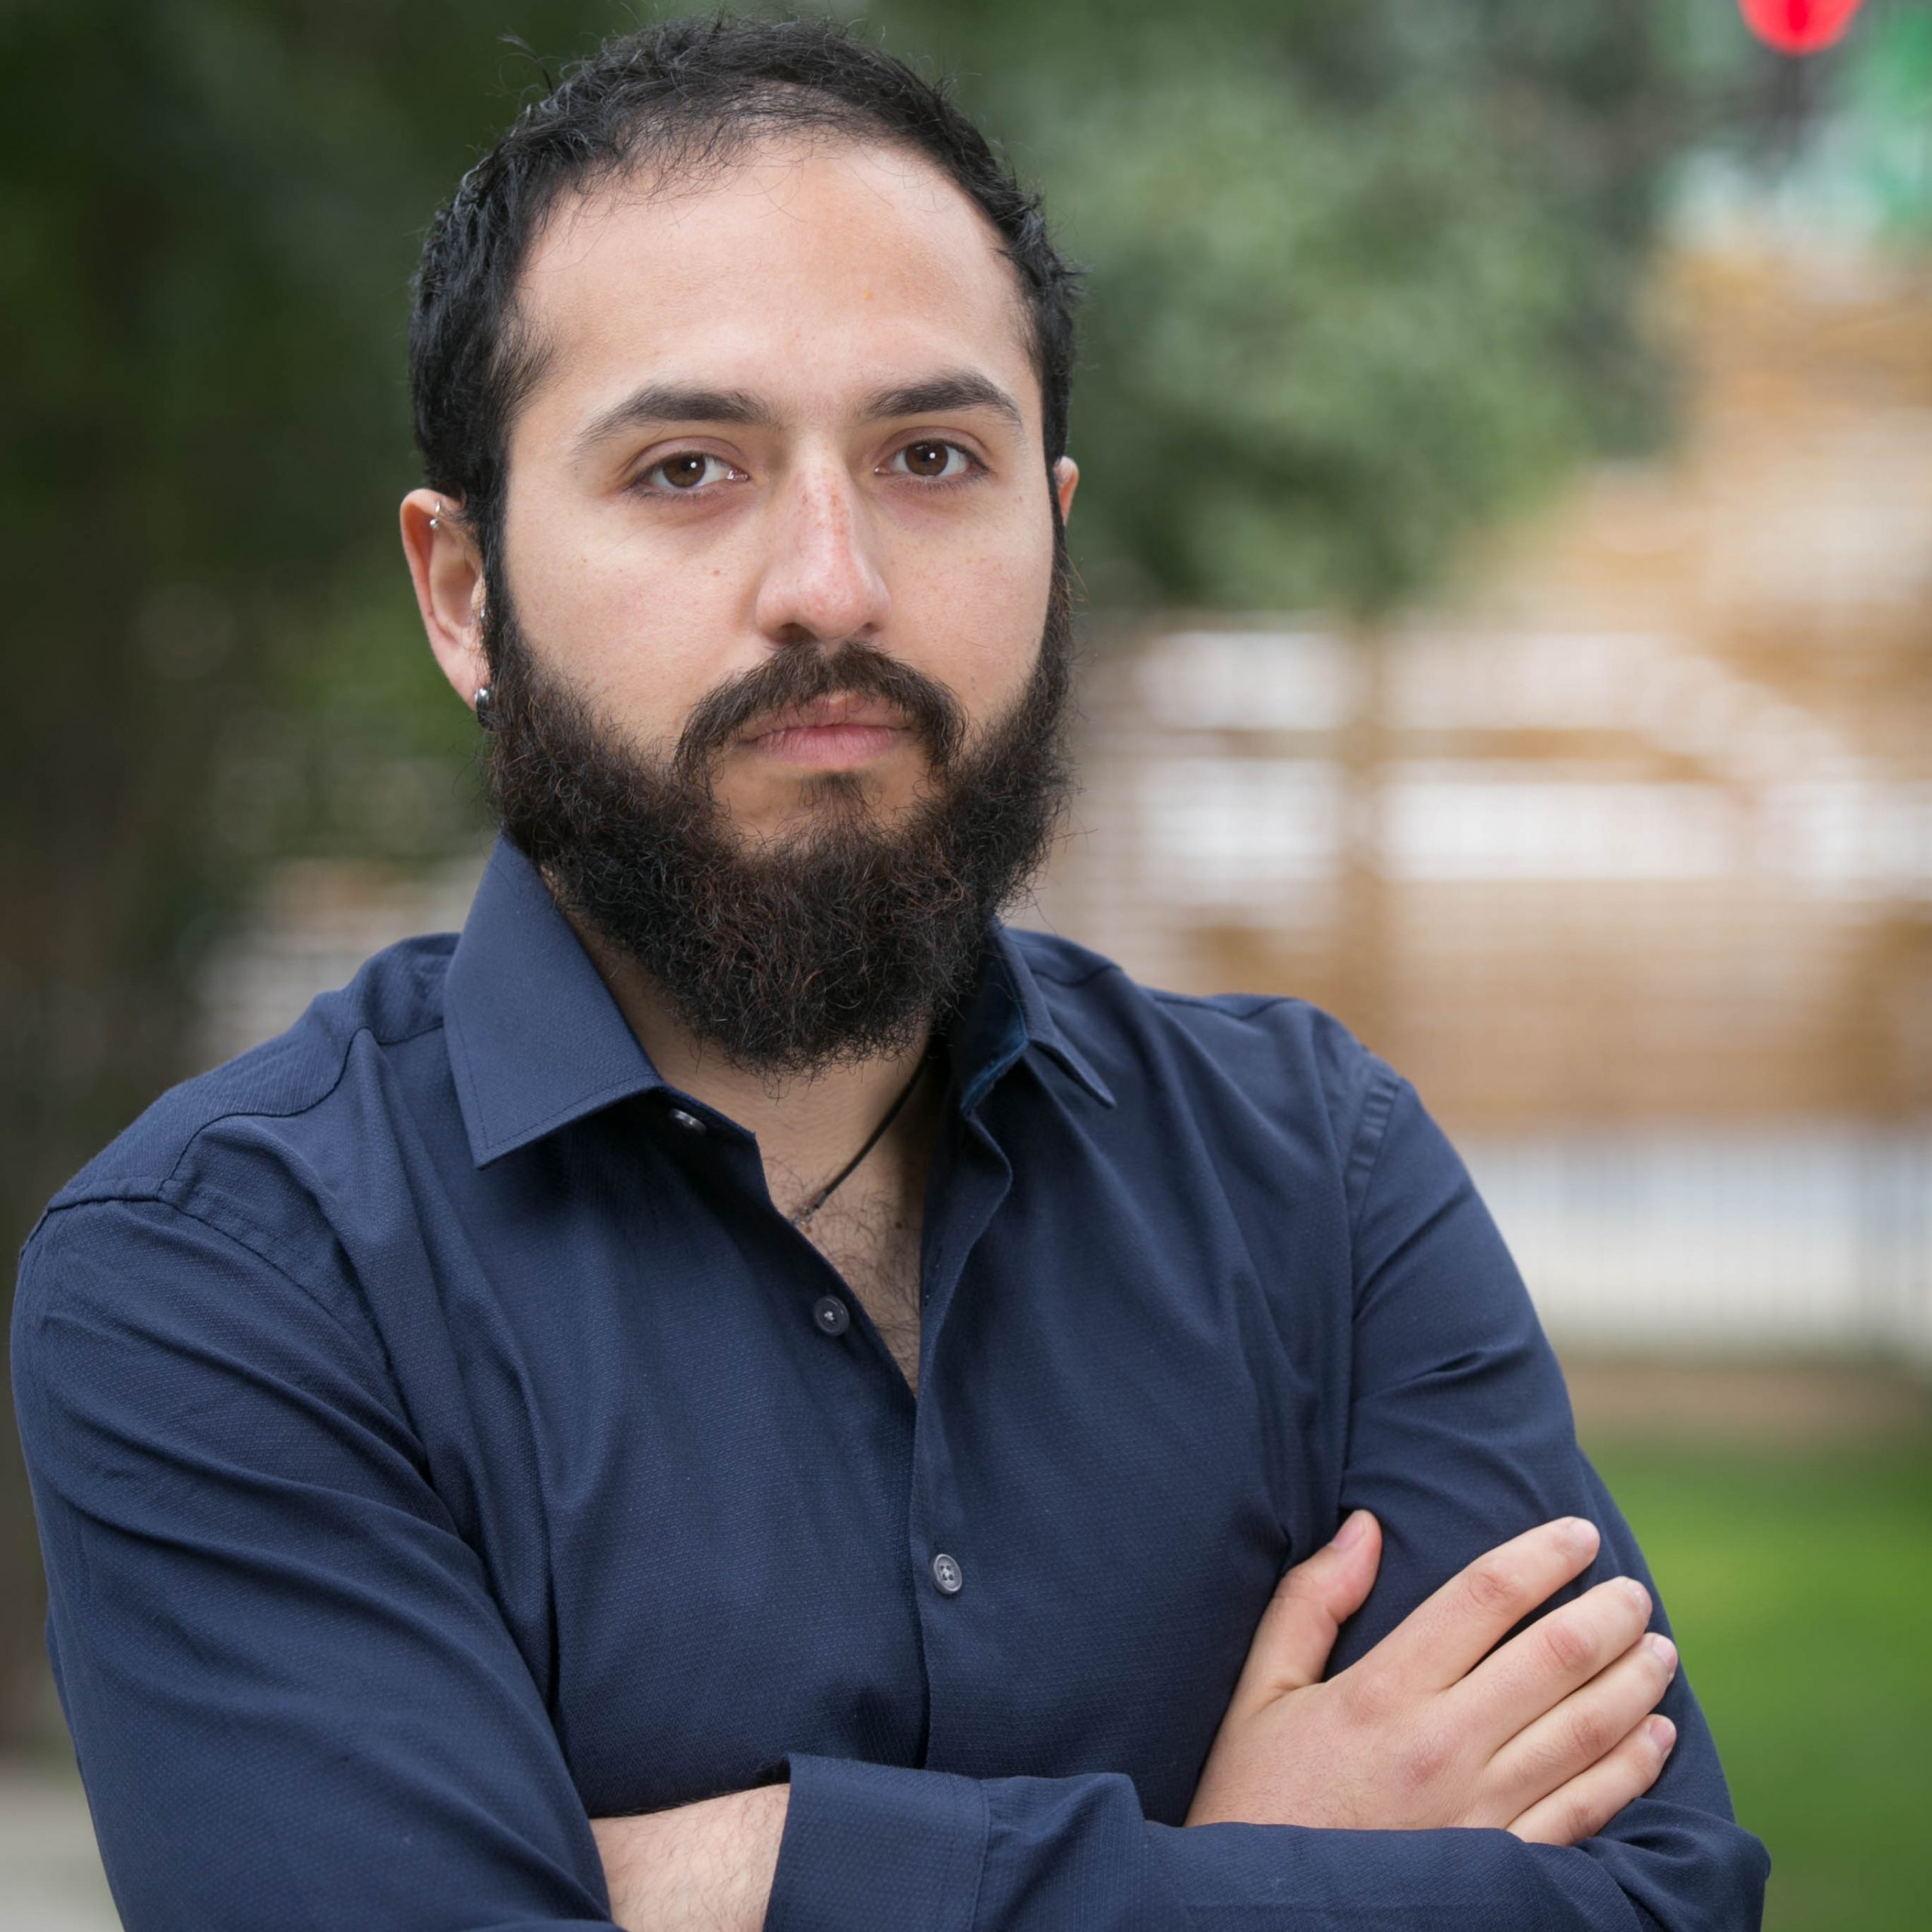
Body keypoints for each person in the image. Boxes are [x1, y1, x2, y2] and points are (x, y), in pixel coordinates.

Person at [11, 16, 1767, 1931]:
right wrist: (1233, 1875)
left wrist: (738, 1876)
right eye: (687, 468)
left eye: (931, 457)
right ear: (464, 593)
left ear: (1052, 535)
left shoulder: (1311, 1176)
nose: (832, 584)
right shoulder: (227, 1280)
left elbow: (1658, 1898)